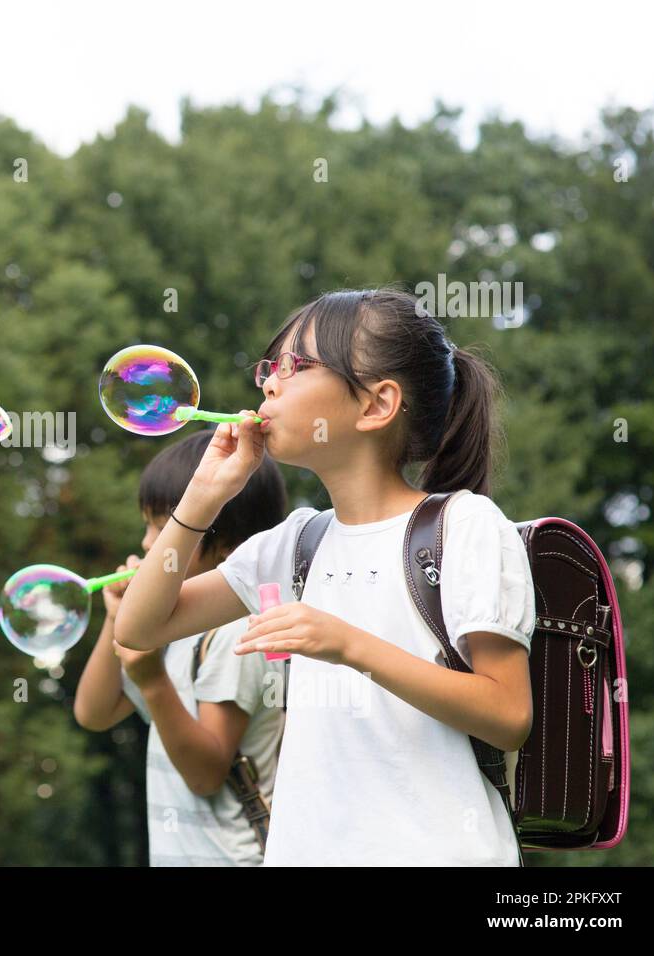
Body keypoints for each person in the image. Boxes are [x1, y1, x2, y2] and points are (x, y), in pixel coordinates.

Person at [114, 288, 536, 866]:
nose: (268, 384)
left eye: (295, 366)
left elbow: (508, 715)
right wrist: (206, 492)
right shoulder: (296, 544)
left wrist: (347, 644)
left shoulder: (462, 526)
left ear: (375, 405)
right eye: (271, 367)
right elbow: (140, 626)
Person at [74, 431, 288, 865]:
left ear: (229, 546)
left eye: (165, 525)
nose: (149, 543)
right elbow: (94, 714)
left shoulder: (235, 630)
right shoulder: (170, 628)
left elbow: (206, 773)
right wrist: (119, 621)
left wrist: (152, 682)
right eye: (148, 524)